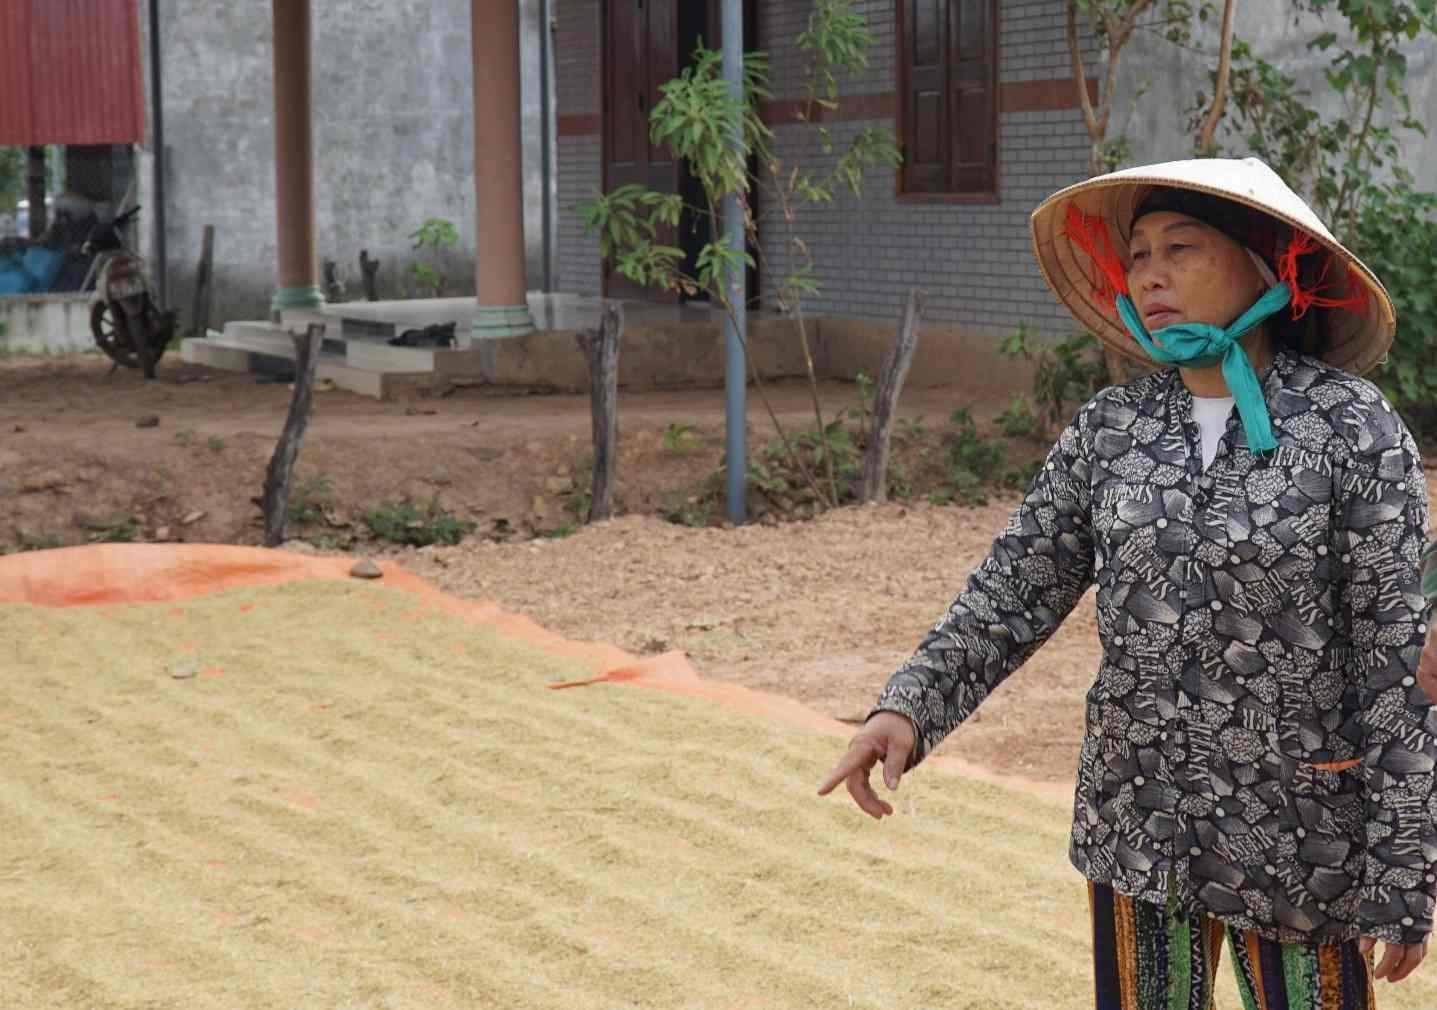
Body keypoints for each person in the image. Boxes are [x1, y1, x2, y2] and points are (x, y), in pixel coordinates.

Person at [818, 158, 1435, 1008]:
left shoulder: (1351, 429)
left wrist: (1403, 868)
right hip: (1139, 818)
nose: (1149, 273)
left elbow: (1395, 662)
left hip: (1302, 834)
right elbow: (1015, 584)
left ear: (1267, 267)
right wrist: (907, 707)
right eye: (1137, 254)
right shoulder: (1113, 429)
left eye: (1180, 247)